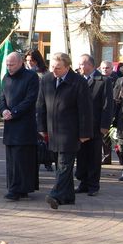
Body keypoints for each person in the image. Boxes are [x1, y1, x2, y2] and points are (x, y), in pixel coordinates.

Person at [37, 52, 92, 208]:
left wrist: (84, 133)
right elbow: (40, 104)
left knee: (64, 165)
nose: (54, 71)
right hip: (52, 130)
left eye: (58, 68)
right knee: (59, 163)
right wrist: (41, 127)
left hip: (71, 131)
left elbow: (85, 110)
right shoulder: (47, 79)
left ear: (67, 67)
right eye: (52, 67)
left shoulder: (78, 82)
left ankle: (56, 194)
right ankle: (68, 196)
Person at [0, 52, 40, 201]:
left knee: (23, 158)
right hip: (10, 125)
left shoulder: (31, 77)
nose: (9, 67)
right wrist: (3, 110)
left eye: (12, 64)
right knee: (12, 158)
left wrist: (14, 112)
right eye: (7, 65)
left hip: (24, 125)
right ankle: (14, 187)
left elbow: (30, 99)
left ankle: (21, 188)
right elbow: (1, 98)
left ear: (20, 63)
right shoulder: (6, 77)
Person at [74, 54, 113, 195]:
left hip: (95, 126)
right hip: (80, 125)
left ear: (90, 65)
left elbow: (107, 105)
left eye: (82, 64)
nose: (80, 67)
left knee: (94, 156)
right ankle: (83, 183)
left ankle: (93, 186)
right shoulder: (78, 80)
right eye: (79, 64)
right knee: (82, 156)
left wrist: (104, 126)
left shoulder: (103, 80)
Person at [98, 60, 117, 165]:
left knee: (111, 137)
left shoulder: (116, 79)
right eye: (103, 68)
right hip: (101, 111)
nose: (105, 70)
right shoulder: (98, 79)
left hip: (113, 111)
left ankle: (111, 157)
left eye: (107, 68)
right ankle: (106, 157)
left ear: (112, 68)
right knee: (104, 137)